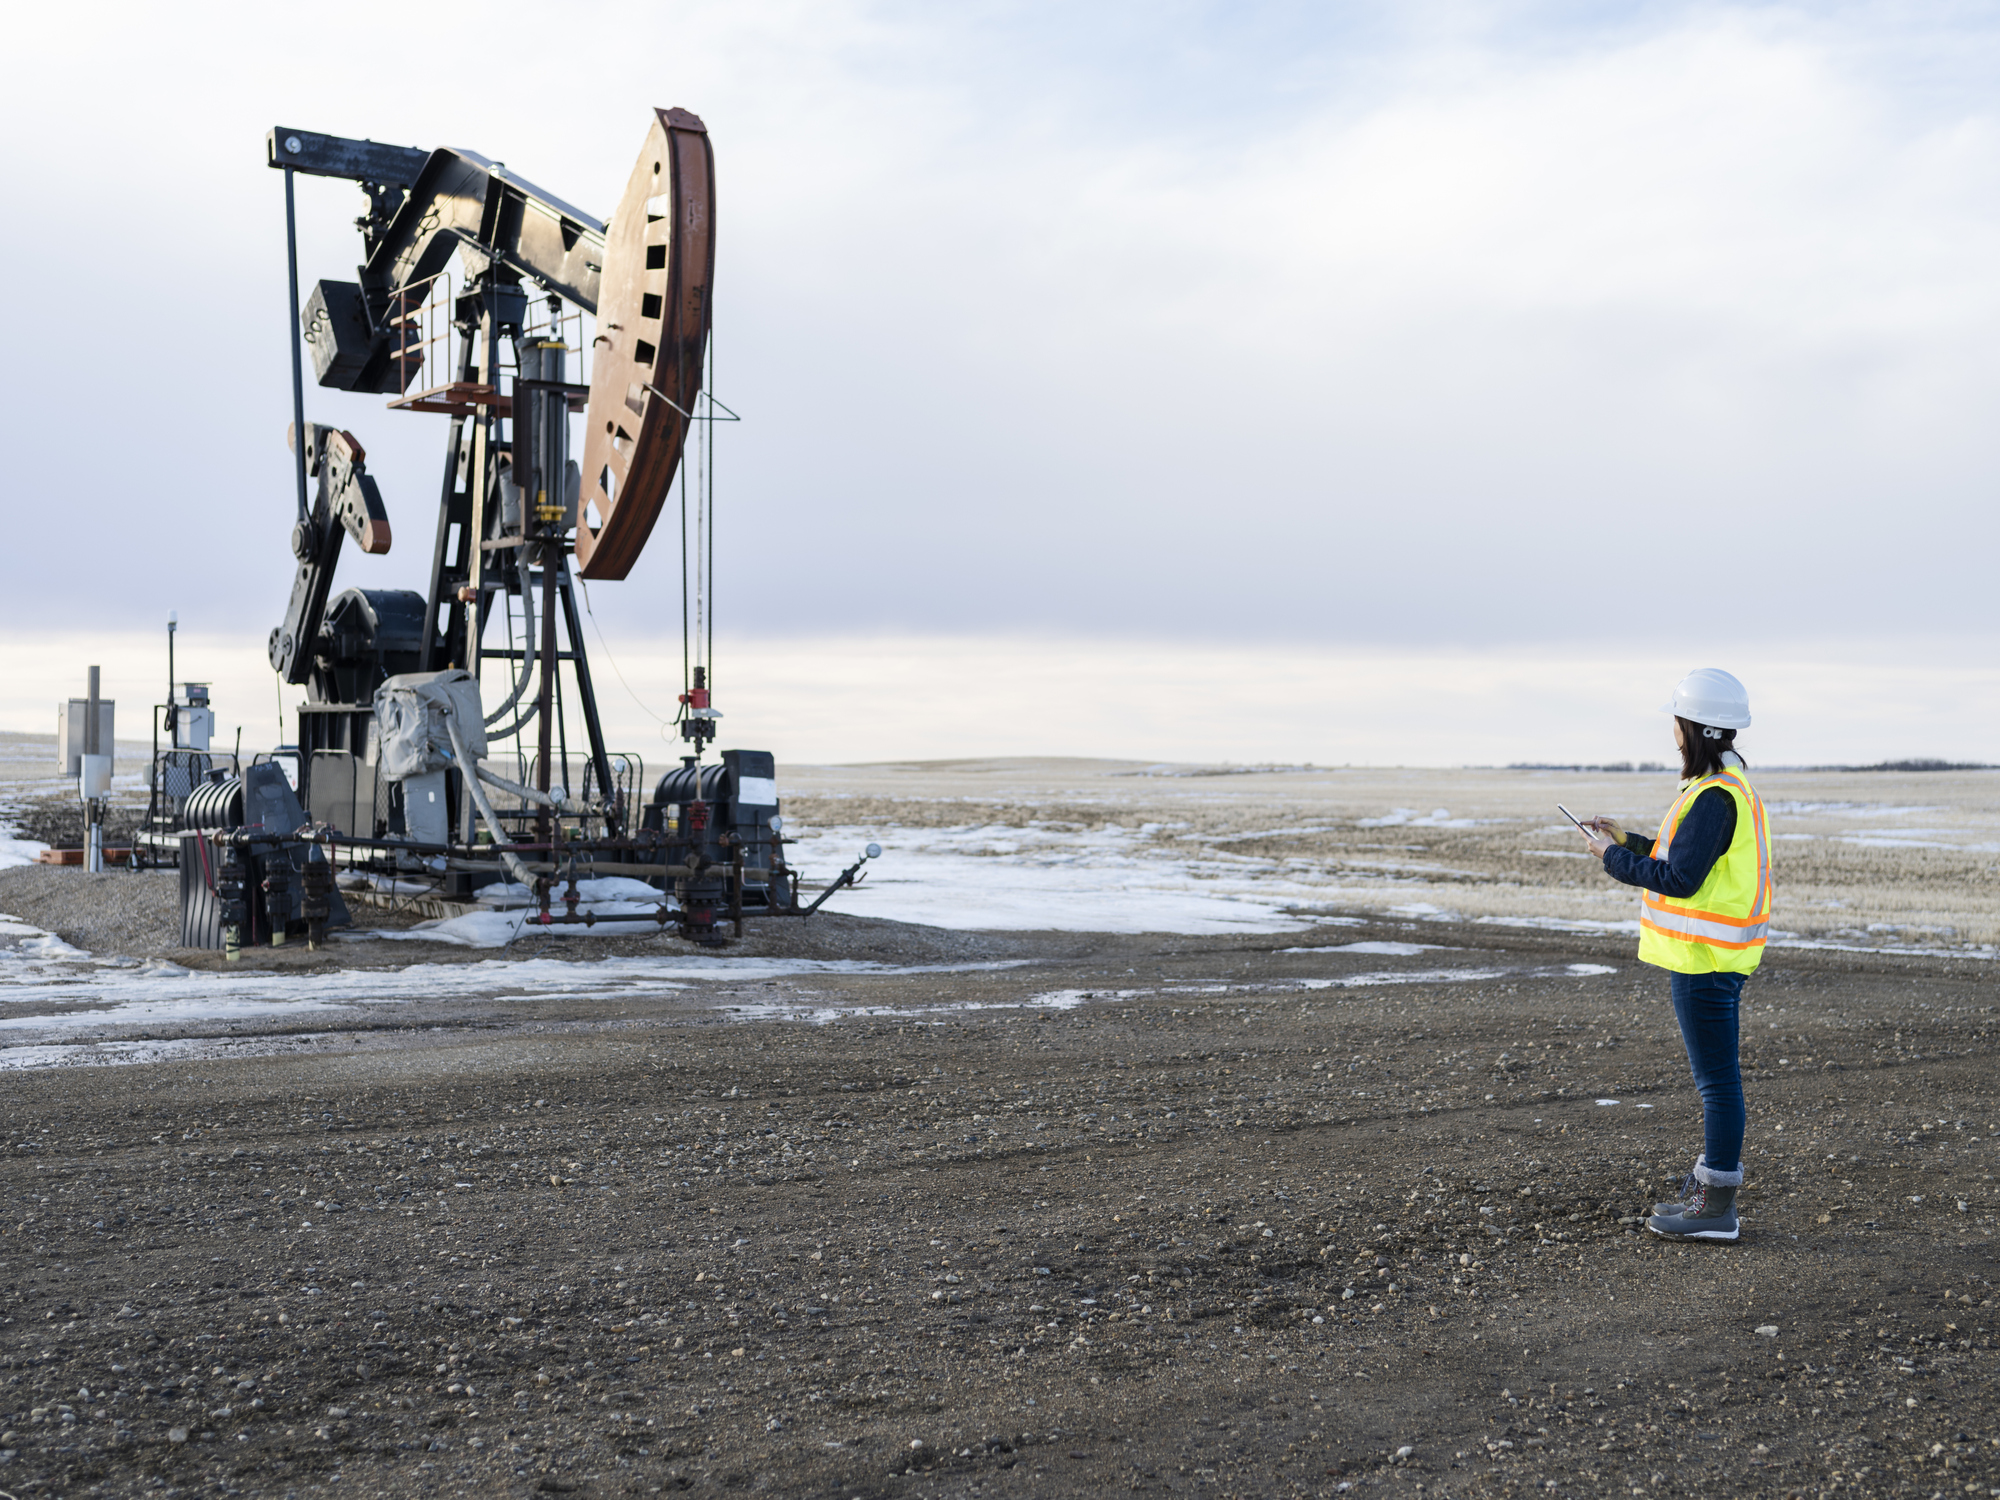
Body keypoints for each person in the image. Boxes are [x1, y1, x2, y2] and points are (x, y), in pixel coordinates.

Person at [1579, 668, 1772, 1243]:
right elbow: (1683, 858)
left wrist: (1613, 859)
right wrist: (1628, 841)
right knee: (1719, 1082)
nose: (1672, 734)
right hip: (1711, 961)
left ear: (1694, 729)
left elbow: (1681, 879)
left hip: (1703, 963)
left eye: (1677, 723)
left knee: (1718, 1085)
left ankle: (1716, 1208)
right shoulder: (1724, 790)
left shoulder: (1715, 798)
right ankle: (1712, 1195)